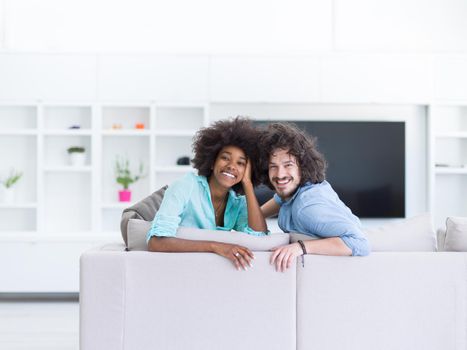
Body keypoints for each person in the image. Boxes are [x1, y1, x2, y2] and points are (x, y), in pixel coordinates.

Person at [147, 117, 268, 271]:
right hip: (176, 268)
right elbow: (156, 242)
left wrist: (248, 184)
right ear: (212, 161)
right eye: (225, 158)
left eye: (241, 163)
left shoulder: (237, 203)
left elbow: (259, 237)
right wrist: (215, 246)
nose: (231, 166)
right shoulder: (186, 186)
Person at [259, 122, 370, 272]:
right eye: (273, 166)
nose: (279, 174)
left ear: (302, 167)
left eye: (288, 165)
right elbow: (275, 203)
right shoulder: (295, 190)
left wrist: (301, 247)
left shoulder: (307, 209)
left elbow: (360, 244)